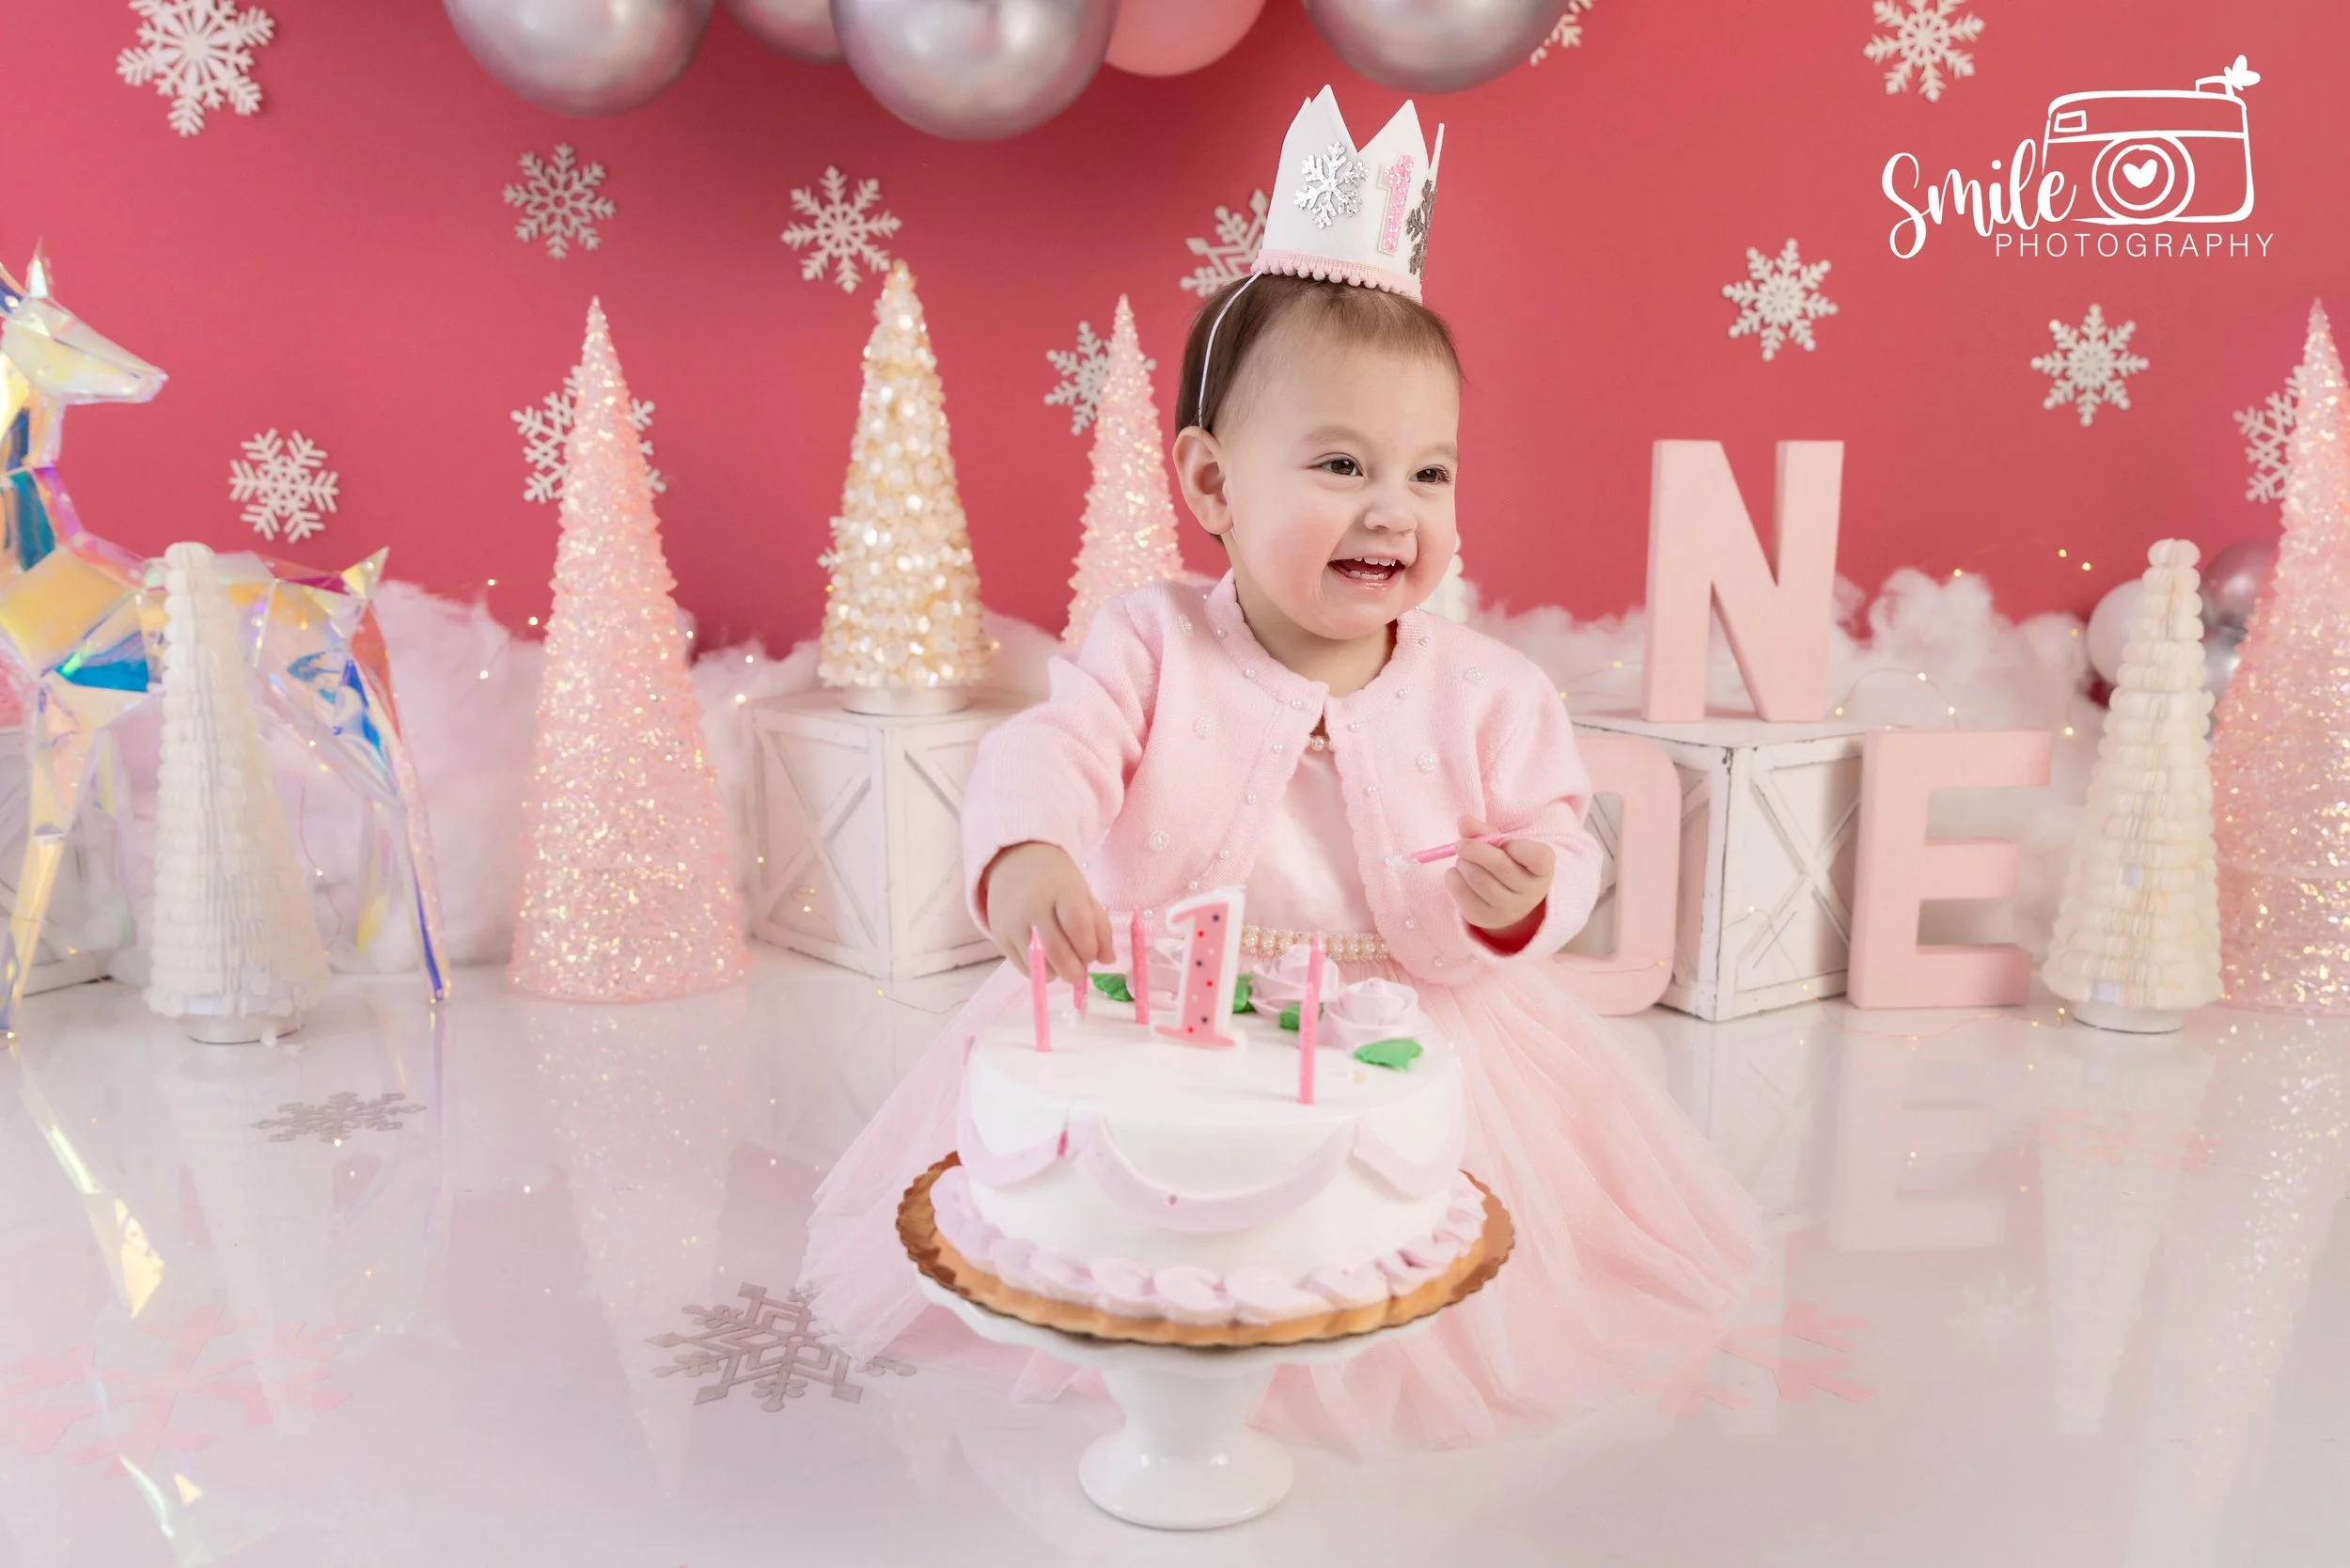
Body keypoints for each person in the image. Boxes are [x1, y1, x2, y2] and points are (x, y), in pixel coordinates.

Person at [800, 87, 1762, 1451]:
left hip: (1408, 1028)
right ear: (1209, 485)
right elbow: (1052, 747)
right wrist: (1030, 853)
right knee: (1130, 1229)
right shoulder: (1149, 640)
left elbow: (1559, 829)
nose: (1393, 509)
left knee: (1412, 1246)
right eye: (1340, 461)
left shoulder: (1483, 686)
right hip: (1160, 1018)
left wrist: (1524, 889)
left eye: (1430, 474)